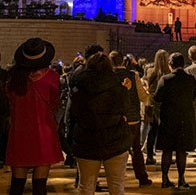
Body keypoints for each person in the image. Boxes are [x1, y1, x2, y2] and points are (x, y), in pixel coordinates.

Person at [5, 37, 63, 195]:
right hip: (43, 133)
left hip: (19, 133)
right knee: (40, 186)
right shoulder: (51, 77)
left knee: (16, 185)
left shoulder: (13, 78)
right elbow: (55, 104)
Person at [70, 52, 132, 195]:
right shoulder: (118, 88)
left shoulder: (79, 88)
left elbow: (74, 113)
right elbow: (125, 110)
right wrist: (125, 90)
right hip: (116, 140)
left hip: (86, 141)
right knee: (117, 186)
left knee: (86, 186)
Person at [154, 52, 196, 189]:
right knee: (181, 150)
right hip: (185, 118)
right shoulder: (190, 79)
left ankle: (165, 178)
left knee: (167, 150)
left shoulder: (165, 79)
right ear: (183, 64)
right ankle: (181, 178)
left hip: (168, 118)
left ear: (170, 64)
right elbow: (194, 96)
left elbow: (157, 98)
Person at [109, 51, 152, 187]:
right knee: (136, 150)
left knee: (114, 151)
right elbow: (143, 96)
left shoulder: (108, 77)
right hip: (133, 119)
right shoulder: (133, 75)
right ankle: (142, 178)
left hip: (115, 120)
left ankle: (116, 180)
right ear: (122, 61)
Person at [141, 49, 171, 165]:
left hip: (151, 103)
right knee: (166, 131)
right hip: (164, 104)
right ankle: (166, 155)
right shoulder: (168, 72)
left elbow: (145, 81)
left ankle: (149, 156)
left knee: (152, 131)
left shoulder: (150, 71)